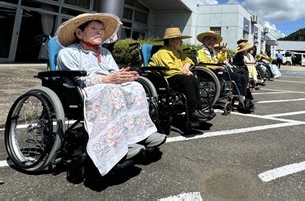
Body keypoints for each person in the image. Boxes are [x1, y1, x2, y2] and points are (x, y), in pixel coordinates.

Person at [56, 13, 166, 176]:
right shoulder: (67, 53)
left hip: (109, 86)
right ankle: (115, 146)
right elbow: (79, 80)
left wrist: (125, 76)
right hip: (83, 91)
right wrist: (108, 79)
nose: (99, 32)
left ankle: (142, 135)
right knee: (110, 91)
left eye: (101, 29)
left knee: (136, 87)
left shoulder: (105, 53)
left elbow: (114, 72)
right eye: (94, 28)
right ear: (79, 33)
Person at [148, 27, 214, 123]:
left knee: (192, 78)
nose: (182, 42)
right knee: (186, 79)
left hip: (175, 77)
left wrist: (186, 68)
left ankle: (198, 109)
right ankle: (192, 112)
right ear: (171, 41)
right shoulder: (163, 52)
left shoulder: (178, 52)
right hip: (162, 79)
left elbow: (189, 60)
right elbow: (169, 71)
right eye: (179, 40)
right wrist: (184, 72)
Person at [197, 31, 254, 110]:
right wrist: (216, 67)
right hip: (210, 73)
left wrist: (223, 52)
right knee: (238, 77)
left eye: (213, 40)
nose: (211, 42)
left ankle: (241, 96)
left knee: (243, 76)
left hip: (218, 71)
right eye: (208, 39)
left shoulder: (213, 52)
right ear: (204, 41)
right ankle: (240, 97)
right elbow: (203, 64)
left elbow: (221, 59)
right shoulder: (200, 52)